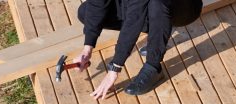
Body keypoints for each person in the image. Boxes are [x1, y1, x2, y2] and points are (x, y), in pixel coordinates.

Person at [73, 0, 202, 99]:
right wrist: (87, 49)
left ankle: (153, 66)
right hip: (142, 5)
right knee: (85, 12)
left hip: (184, 7)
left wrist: (115, 68)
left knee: (157, 4)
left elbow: (134, 17)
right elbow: (97, 4)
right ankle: (158, 30)